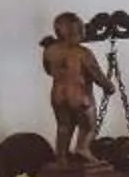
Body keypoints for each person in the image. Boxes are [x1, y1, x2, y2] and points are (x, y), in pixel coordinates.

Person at [39, 11, 112, 161]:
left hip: (58, 94)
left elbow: (47, 70)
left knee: (63, 127)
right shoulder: (83, 53)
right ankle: (82, 147)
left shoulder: (50, 51)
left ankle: (61, 156)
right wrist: (108, 86)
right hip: (79, 94)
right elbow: (95, 73)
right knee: (88, 126)